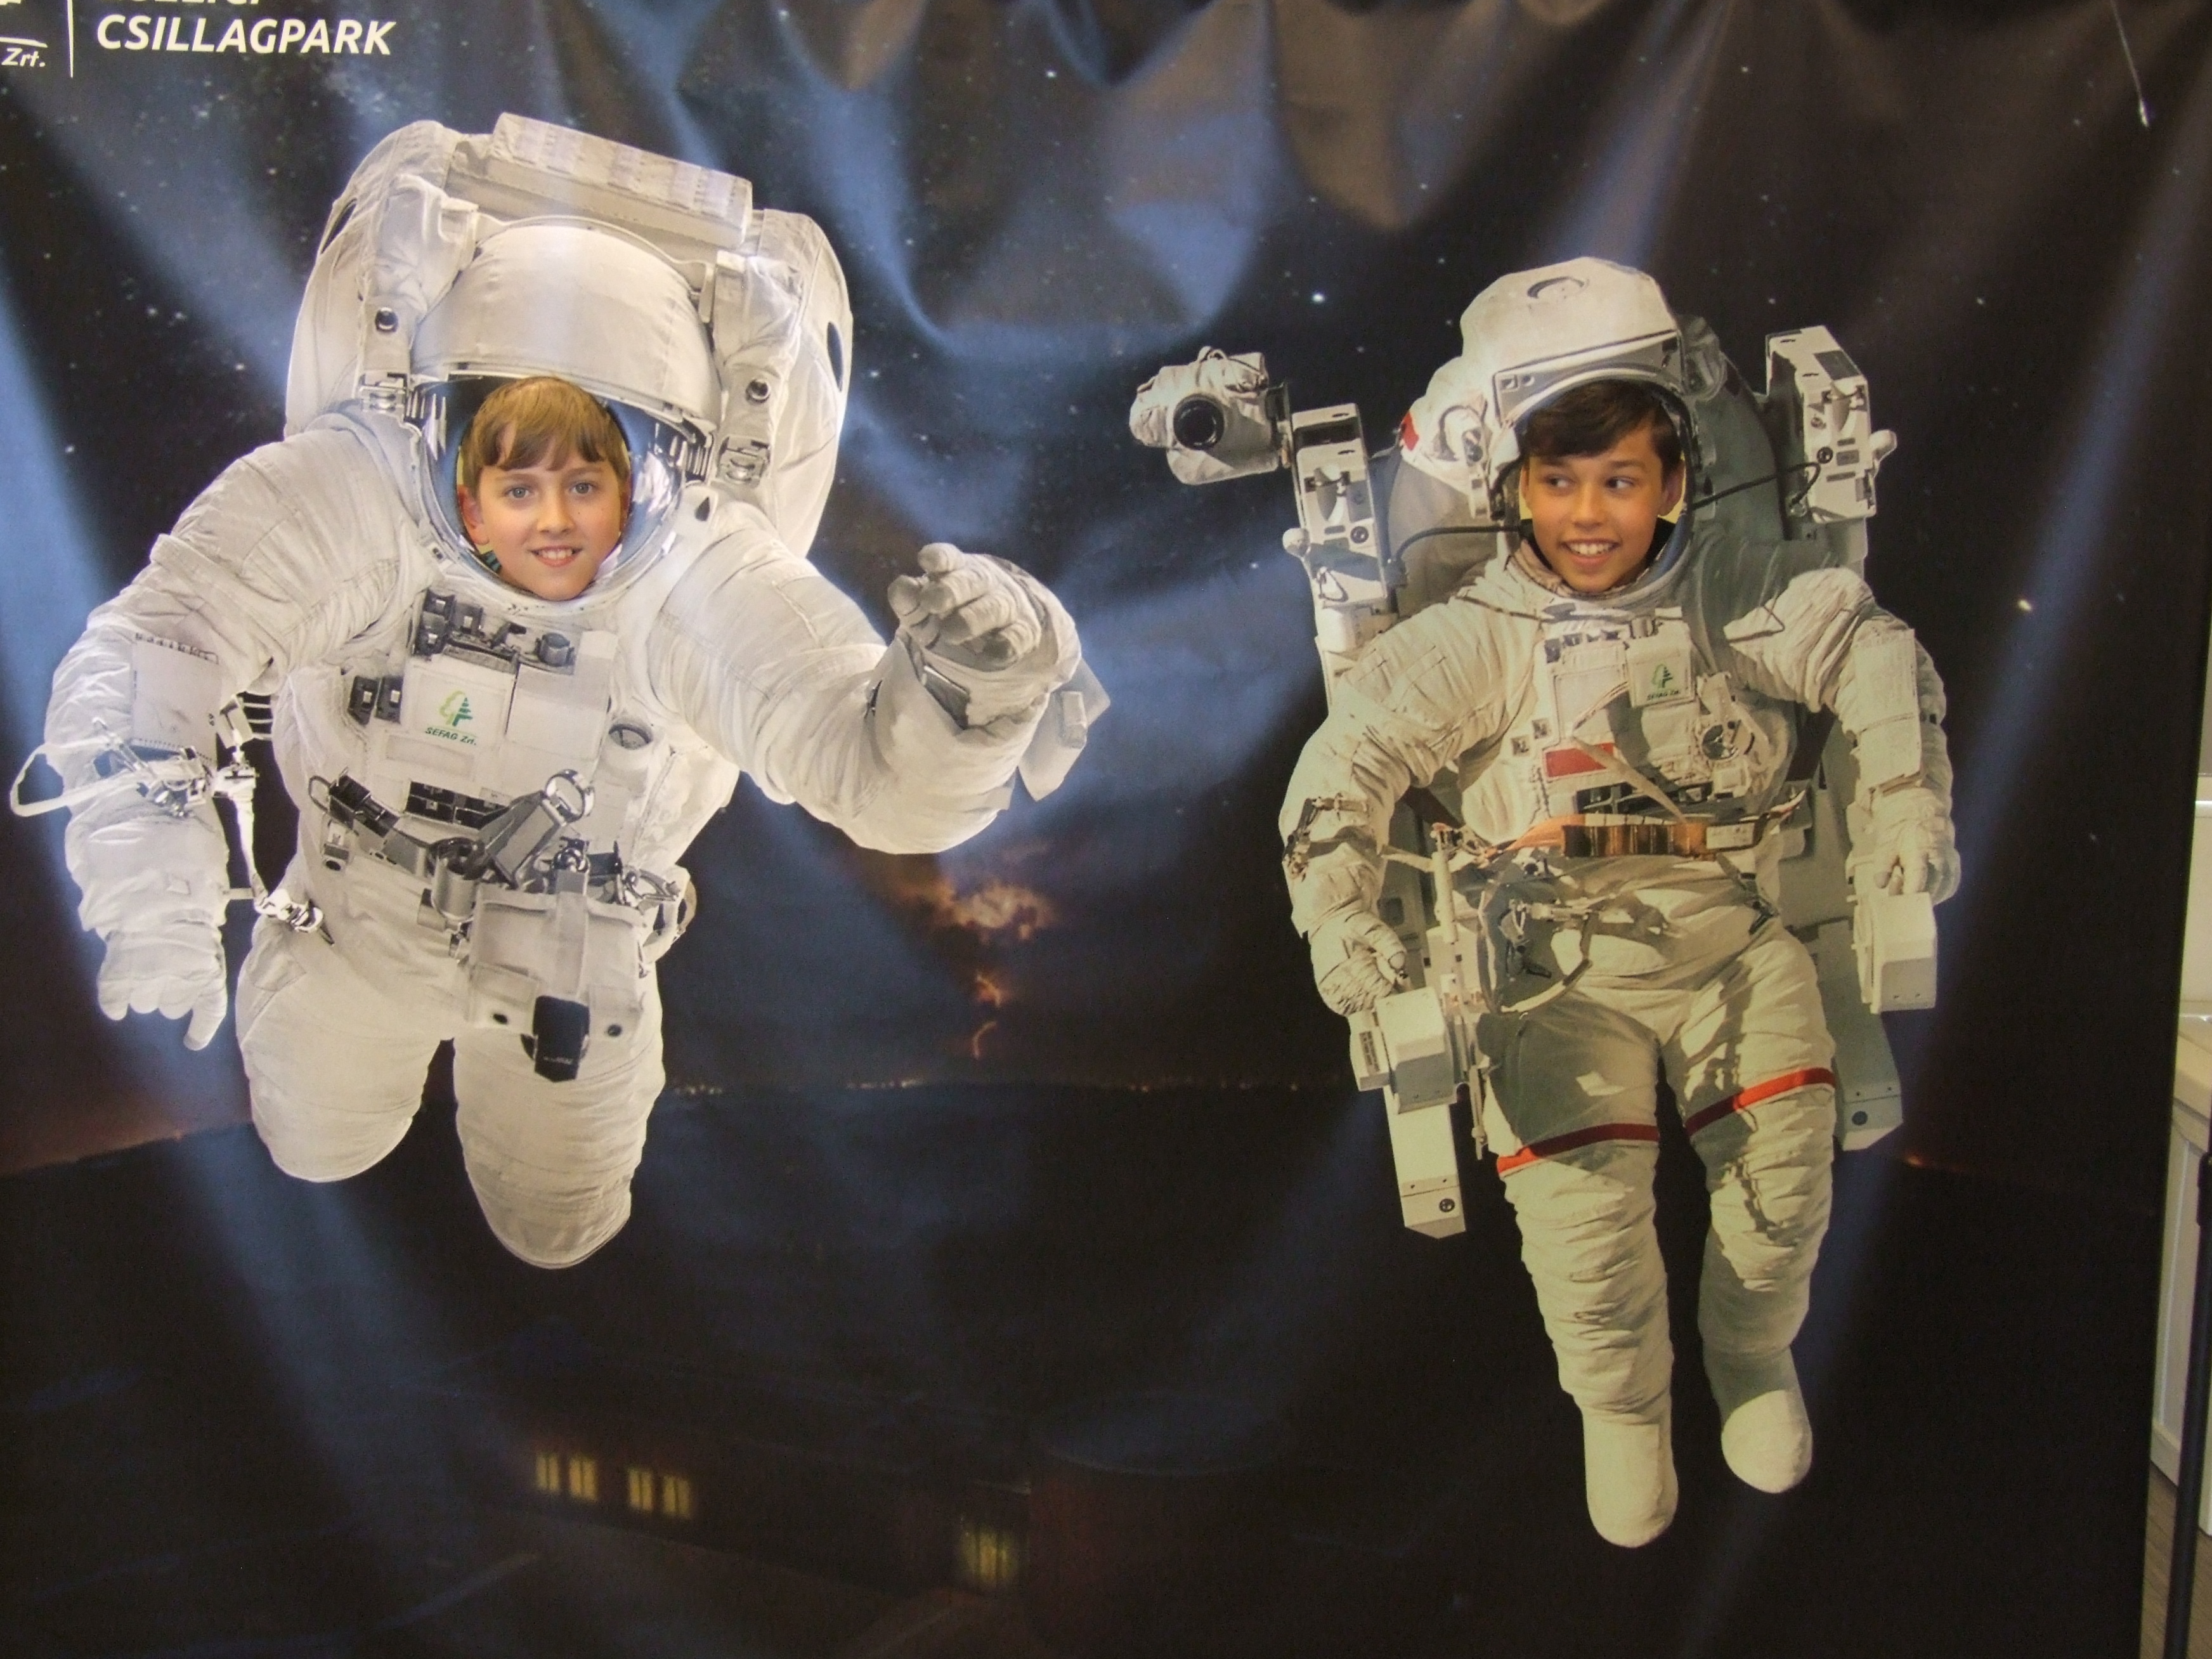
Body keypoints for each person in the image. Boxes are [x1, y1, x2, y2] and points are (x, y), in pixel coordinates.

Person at [20, 117, 1096, 1270]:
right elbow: (157, 648)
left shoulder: (700, 574)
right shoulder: (360, 494)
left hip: (568, 974)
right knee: (315, 1141)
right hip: (352, 925)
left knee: (556, 1227)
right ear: (447, 446)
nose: (551, 524)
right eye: (514, 475)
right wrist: (152, 885)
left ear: (660, 472)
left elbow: (879, 783)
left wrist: (972, 693)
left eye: (592, 479)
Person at [1278, 258, 1956, 1546]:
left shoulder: (1736, 592)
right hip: (1549, 965)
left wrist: (1906, 804)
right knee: (1585, 1233)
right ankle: (1625, 1407)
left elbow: (1870, 651)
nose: (1589, 517)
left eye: (1622, 482)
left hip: (1729, 937)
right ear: (1512, 490)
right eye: (1560, 483)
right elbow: (1344, 768)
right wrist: (1342, 921)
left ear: (1675, 482)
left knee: (1783, 1190)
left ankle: (1750, 1355)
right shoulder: (1473, 636)